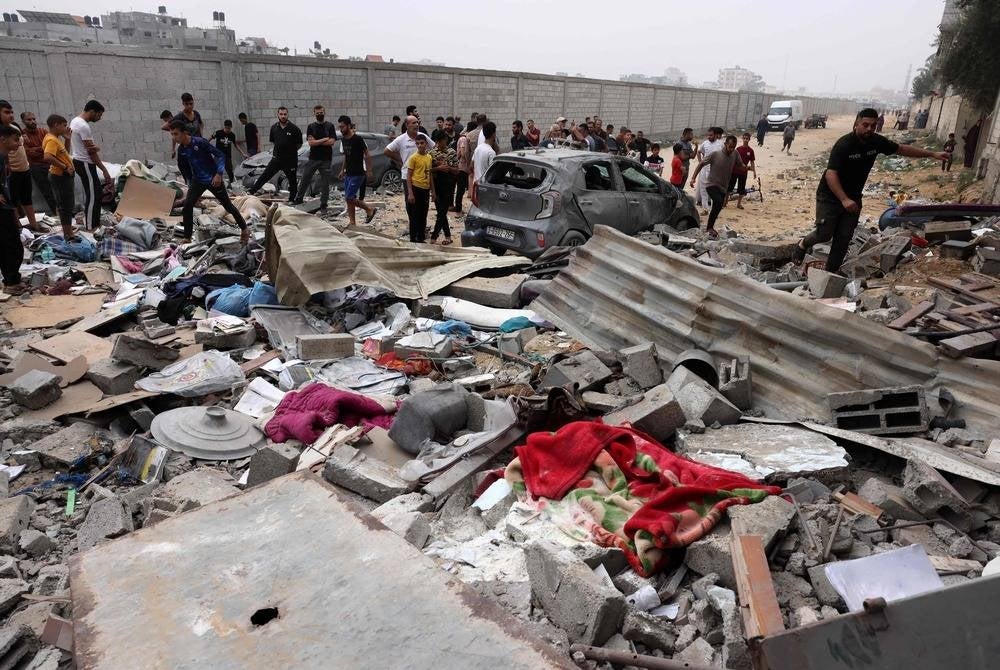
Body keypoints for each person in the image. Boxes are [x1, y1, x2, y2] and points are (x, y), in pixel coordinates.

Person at [793, 108, 949, 273]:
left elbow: (901, 149)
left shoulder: (876, 141)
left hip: (854, 196)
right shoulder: (844, 144)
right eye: (865, 125)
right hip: (831, 195)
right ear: (856, 124)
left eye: (873, 126)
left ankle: (830, 274)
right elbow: (831, 174)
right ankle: (803, 244)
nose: (869, 129)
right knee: (825, 234)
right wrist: (844, 199)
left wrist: (932, 154)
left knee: (844, 238)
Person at [169, 120, 249, 245]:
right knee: (187, 207)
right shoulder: (182, 150)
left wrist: (219, 174)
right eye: (172, 134)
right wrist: (189, 182)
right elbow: (183, 168)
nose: (174, 137)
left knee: (228, 206)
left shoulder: (200, 142)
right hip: (197, 181)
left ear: (184, 132)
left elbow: (221, 155)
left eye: (176, 134)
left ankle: (245, 229)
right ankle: (187, 237)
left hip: (213, 179)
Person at [689, 134, 746, 239]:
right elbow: (701, 164)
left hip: (724, 186)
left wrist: (745, 168)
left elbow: (740, 164)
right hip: (711, 184)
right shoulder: (715, 154)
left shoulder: (735, 154)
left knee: (719, 206)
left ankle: (710, 226)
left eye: (734, 147)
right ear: (725, 144)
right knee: (718, 201)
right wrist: (693, 178)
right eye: (730, 147)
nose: (731, 149)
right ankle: (709, 227)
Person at [385, 115, 433, 234]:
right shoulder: (401, 139)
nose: (416, 125)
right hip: (408, 177)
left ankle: (421, 232)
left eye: (417, 122)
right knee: (411, 205)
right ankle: (414, 232)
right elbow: (386, 151)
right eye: (413, 123)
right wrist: (400, 160)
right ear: (407, 125)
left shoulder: (423, 137)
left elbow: (434, 148)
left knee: (423, 207)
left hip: (422, 178)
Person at [69, 100, 111, 231]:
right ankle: (90, 225)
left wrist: (94, 148)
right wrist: (104, 169)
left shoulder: (75, 121)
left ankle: (94, 222)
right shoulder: (83, 126)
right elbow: (91, 152)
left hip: (80, 161)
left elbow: (90, 148)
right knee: (93, 194)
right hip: (85, 162)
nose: (99, 118)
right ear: (92, 111)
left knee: (96, 192)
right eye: (99, 115)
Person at [0, 101, 41, 232]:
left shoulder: (15, 127)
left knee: (27, 198)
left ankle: (34, 225)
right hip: (12, 171)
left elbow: (23, 147)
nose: (11, 115)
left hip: (25, 168)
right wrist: (8, 167)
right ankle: (17, 228)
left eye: (12, 112)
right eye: (6, 112)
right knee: (11, 201)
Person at [249, 107, 302, 202]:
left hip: (290, 160)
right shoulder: (274, 128)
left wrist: (289, 152)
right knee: (265, 175)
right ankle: (251, 192)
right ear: (278, 115)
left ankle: (292, 199)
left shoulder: (294, 129)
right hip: (277, 159)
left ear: (287, 115)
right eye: (281, 114)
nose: (283, 116)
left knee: (292, 180)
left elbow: (299, 144)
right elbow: (274, 142)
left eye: (285, 114)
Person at [335, 115, 377, 226]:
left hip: (358, 173)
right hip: (348, 173)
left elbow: (367, 154)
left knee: (349, 198)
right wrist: (342, 170)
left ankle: (369, 209)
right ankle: (352, 222)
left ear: (349, 126)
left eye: (343, 127)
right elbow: (346, 156)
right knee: (350, 198)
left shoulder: (358, 139)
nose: (341, 129)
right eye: (339, 127)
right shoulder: (343, 140)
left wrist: (369, 171)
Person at [295, 105, 335, 209]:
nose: (319, 115)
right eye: (317, 113)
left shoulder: (330, 126)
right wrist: (324, 139)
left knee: (325, 183)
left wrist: (317, 141)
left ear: (324, 112)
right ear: (314, 114)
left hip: (326, 159)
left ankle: (323, 204)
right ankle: (298, 200)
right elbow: (311, 143)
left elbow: (331, 142)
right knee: (305, 179)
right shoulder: (311, 127)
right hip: (313, 158)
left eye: (321, 113)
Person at [0, 124, 25, 292]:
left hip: (6, 206)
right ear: (3, 139)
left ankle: (12, 278)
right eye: (15, 140)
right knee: (10, 245)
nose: (18, 144)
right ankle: (11, 282)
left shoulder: (3, 158)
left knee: (12, 243)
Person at [42, 115, 75, 240]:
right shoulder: (51, 140)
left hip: (64, 175)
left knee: (67, 205)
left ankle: (68, 231)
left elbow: (65, 153)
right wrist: (65, 167)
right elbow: (47, 157)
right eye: (64, 125)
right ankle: (68, 234)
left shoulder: (56, 139)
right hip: (60, 176)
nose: (66, 128)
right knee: (65, 206)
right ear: (56, 124)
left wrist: (67, 139)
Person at [19, 111, 57, 215]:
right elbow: (28, 153)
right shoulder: (22, 135)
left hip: (49, 163)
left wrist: (37, 149)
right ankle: (56, 213)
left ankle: (64, 212)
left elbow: (51, 147)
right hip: (36, 167)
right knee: (47, 192)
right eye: (29, 119)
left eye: (34, 119)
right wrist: (42, 149)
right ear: (23, 121)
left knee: (58, 188)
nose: (32, 121)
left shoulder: (43, 131)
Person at [430, 130, 459, 245]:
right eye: (437, 141)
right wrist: (438, 168)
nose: (438, 144)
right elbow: (429, 170)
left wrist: (448, 168)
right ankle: (448, 236)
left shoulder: (452, 152)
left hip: (449, 184)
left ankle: (434, 236)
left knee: (442, 212)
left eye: (440, 141)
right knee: (440, 211)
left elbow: (457, 171)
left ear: (445, 140)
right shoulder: (431, 153)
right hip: (436, 185)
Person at [405, 135, 434, 243]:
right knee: (414, 216)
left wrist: (433, 191)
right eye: (417, 143)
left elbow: (429, 174)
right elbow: (408, 176)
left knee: (423, 215)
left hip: (425, 190)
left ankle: (421, 238)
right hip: (415, 188)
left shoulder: (429, 157)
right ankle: (413, 239)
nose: (420, 145)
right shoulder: (413, 158)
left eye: (422, 143)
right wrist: (410, 193)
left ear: (426, 143)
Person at [164, 92, 204, 159]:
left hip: (198, 144)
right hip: (187, 146)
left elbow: (201, 123)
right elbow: (169, 130)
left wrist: (201, 135)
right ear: (183, 104)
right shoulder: (179, 117)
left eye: (191, 104)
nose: (189, 106)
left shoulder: (196, 114)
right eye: (186, 104)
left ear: (193, 102)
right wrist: (173, 149)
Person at [470, 121, 497, 209]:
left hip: (476, 186)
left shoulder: (478, 148)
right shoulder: (491, 152)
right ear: (493, 134)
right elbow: (493, 174)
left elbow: (471, 165)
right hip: (485, 189)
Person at [695, 127, 722, 211]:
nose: (709, 137)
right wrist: (700, 162)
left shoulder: (721, 144)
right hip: (704, 169)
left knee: (714, 190)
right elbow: (699, 152)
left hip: (715, 171)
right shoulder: (705, 143)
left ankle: (714, 210)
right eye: (708, 135)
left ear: (716, 135)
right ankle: (705, 209)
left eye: (711, 135)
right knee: (703, 190)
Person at [452, 120, 475, 213]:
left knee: (461, 189)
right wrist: (469, 163)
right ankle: (458, 208)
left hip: (462, 167)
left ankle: (458, 207)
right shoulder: (464, 139)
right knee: (460, 189)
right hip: (462, 167)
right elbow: (462, 152)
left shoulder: (465, 138)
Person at [212, 120, 243, 185]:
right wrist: (205, 145)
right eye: (226, 128)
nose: (228, 130)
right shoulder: (218, 133)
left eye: (229, 128)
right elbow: (210, 138)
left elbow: (235, 145)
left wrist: (242, 153)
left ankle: (231, 184)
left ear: (231, 127)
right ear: (224, 126)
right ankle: (216, 183)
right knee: (216, 170)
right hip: (218, 156)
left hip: (227, 156)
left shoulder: (232, 135)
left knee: (229, 171)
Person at [730, 133, 756, 209]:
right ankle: (725, 202)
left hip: (743, 172)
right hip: (734, 171)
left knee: (741, 189)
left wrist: (754, 172)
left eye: (747, 138)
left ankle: (739, 204)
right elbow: (732, 159)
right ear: (742, 139)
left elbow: (752, 162)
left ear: (749, 139)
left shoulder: (750, 151)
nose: (745, 140)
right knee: (730, 187)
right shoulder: (738, 149)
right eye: (744, 138)